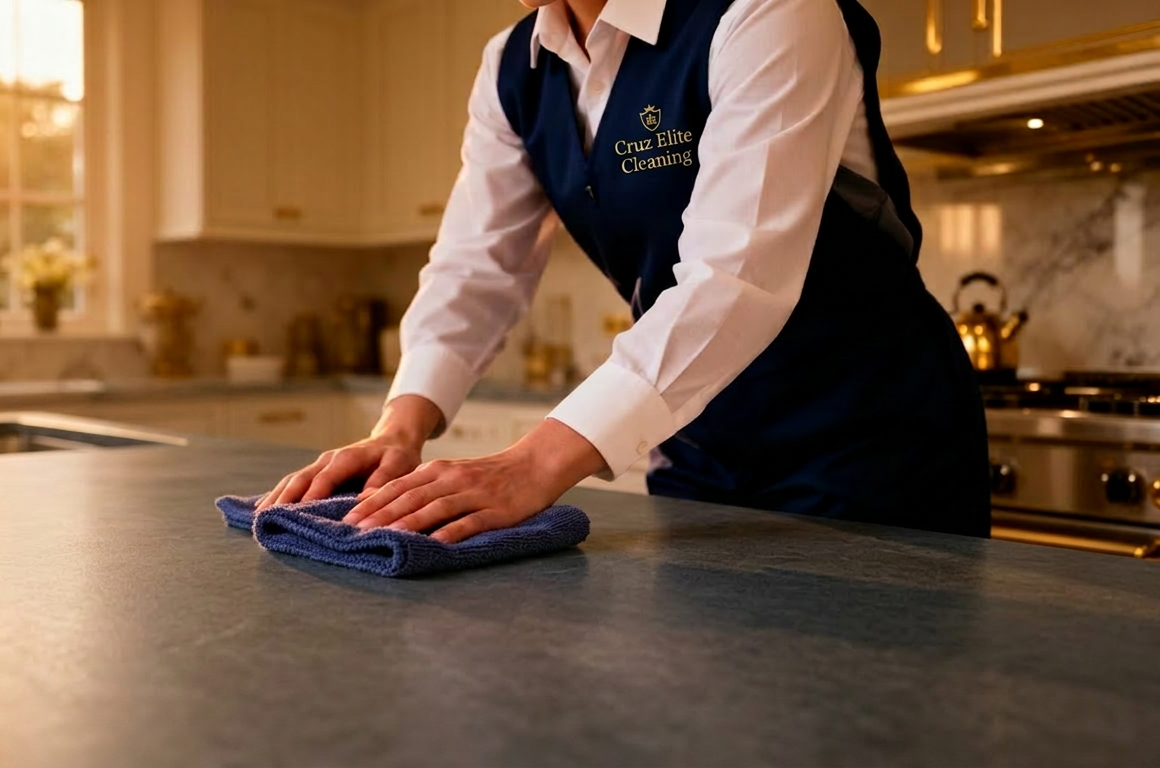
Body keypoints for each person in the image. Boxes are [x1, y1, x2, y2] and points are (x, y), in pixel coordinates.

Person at [258, 0, 990, 542]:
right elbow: (476, 267)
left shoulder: (769, 11)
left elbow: (734, 280)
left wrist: (533, 464)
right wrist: (400, 426)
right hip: (703, 451)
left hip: (872, 445)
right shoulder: (514, 67)